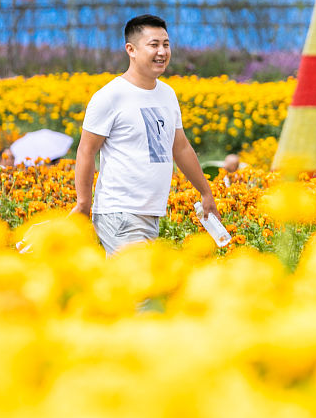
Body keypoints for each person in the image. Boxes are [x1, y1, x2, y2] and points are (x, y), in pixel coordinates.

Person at [72, 13, 220, 255]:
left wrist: (206, 192)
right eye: (154, 45)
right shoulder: (110, 96)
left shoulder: (167, 94)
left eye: (166, 44)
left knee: (130, 288)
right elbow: (86, 150)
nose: (162, 51)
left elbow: (180, 147)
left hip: (151, 213)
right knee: (140, 287)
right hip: (120, 213)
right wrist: (83, 203)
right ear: (131, 49)